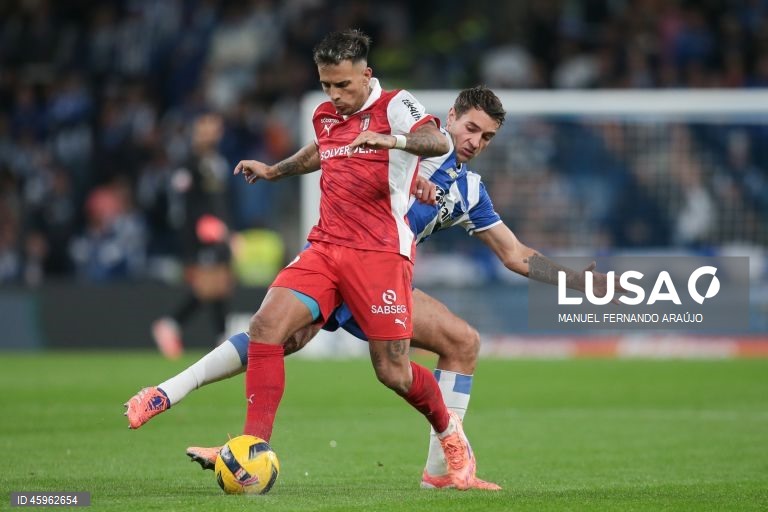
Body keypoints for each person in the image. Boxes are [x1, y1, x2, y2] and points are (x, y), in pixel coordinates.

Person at [126, 85, 619, 489]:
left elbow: (515, 255)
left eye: (486, 138)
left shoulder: (469, 190)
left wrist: (576, 281)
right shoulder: (404, 139)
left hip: (382, 277)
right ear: (450, 117)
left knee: (459, 343)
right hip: (342, 255)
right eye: (470, 128)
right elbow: (336, 150)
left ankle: (440, 474)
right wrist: (284, 171)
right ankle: (181, 401)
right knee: (277, 334)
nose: (475, 142)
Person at [134, 28, 490, 490]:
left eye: (343, 84)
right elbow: (323, 152)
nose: (334, 95)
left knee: (393, 371)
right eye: (326, 85)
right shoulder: (325, 115)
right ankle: (251, 448)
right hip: (325, 246)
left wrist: (391, 141)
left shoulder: (397, 105)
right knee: (267, 328)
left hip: (379, 254)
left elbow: (436, 142)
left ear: (367, 74)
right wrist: (275, 170)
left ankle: (450, 434)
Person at [151, 112, 235, 359]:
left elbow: (220, 200)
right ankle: (172, 324)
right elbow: (185, 205)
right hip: (203, 234)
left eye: (215, 127)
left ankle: (218, 336)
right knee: (210, 285)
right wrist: (201, 229)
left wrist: (228, 229)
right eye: (206, 126)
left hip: (220, 229)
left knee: (221, 285)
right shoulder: (188, 163)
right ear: (196, 131)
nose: (212, 131)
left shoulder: (217, 161)